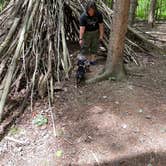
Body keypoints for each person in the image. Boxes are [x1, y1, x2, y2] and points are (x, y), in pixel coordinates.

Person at [79, 0, 104, 65]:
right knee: (85, 47)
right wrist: (81, 39)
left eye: (92, 10)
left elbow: (101, 25)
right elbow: (82, 28)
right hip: (86, 33)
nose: (91, 12)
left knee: (94, 47)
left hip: (96, 33)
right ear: (87, 9)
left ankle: (92, 61)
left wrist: (101, 35)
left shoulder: (98, 14)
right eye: (89, 10)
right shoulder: (83, 16)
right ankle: (84, 61)